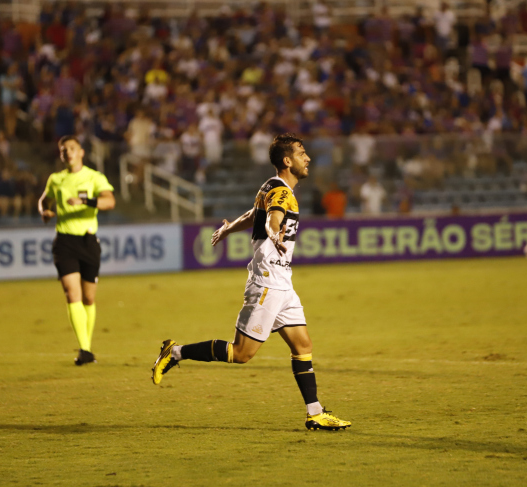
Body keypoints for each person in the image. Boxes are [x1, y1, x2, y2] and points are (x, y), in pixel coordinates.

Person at [151, 133, 351, 431]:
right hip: (267, 283)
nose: (307, 158)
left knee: (303, 345)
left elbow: (255, 213)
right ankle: (175, 352)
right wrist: (273, 233)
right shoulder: (283, 193)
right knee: (241, 353)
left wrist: (230, 228)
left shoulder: (271, 187)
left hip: (283, 283)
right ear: (287, 160)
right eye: (302, 152)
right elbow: (271, 219)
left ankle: (315, 412)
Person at [38, 136, 116, 365]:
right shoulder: (56, 179)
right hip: (65, 242)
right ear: (61, 155)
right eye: (63, 150)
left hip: (88, 242)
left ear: (81, 152)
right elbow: (44, 201)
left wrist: (86, 203)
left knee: (89, 298)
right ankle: (85, 349)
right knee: (72, 294)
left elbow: (109, 201)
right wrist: (45, 211)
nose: (68, 153)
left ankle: (87, 346)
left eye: (72, 148)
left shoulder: (94, 177)